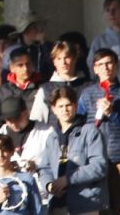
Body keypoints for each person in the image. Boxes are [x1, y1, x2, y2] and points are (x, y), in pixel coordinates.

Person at [77, 49, 120, 215]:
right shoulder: (87, 93)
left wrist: (112, 113)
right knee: (96, 208)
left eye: (109, 63)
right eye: (100, 64)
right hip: (94, 160)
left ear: (116, 65)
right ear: (95, 68)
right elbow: (79, 125)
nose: (105, 68)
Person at [42, 85, 109, 213]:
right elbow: (44, 168)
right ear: (53, 109)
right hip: (57, 204)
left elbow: (99, 166)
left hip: (87, 203)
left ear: (76, 106)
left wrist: (68, 179)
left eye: (68, 105)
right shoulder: (52, 137)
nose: (65, 110)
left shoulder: (90, 132)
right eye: (60, 106)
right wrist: (49, 185)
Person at [0, 135, 44, 215]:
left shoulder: (27, 179)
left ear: (12, 152)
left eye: (4, 150)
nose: (0, 154)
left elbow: (38, 211)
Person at [0, 96, 56, 186]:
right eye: (9, 120)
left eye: (17, 118)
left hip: (41, 189)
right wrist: (7, 167)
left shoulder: (46, 132)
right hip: (10, 189)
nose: (14, 124)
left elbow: (55, 163)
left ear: (26, 113)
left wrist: (36, 165)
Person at [33, 40, 92, 127]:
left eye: (67, 57)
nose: (63, 62)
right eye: (59, 59)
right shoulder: (45, 89)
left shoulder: (89, 86)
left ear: (75, 58)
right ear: (54, 62)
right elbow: (38, 121)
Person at [0, 46, 42, 134]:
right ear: (12, 68)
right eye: (20, 65)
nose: (25, 68)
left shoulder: (42, 88)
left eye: (28, 64)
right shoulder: (1, 92)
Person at [8, 13, 54, 83]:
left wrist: (44, 44)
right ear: (26, 31)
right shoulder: (14, 50)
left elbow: (52, 66)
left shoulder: (48, 46)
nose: (39, 30)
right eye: (35, 27)